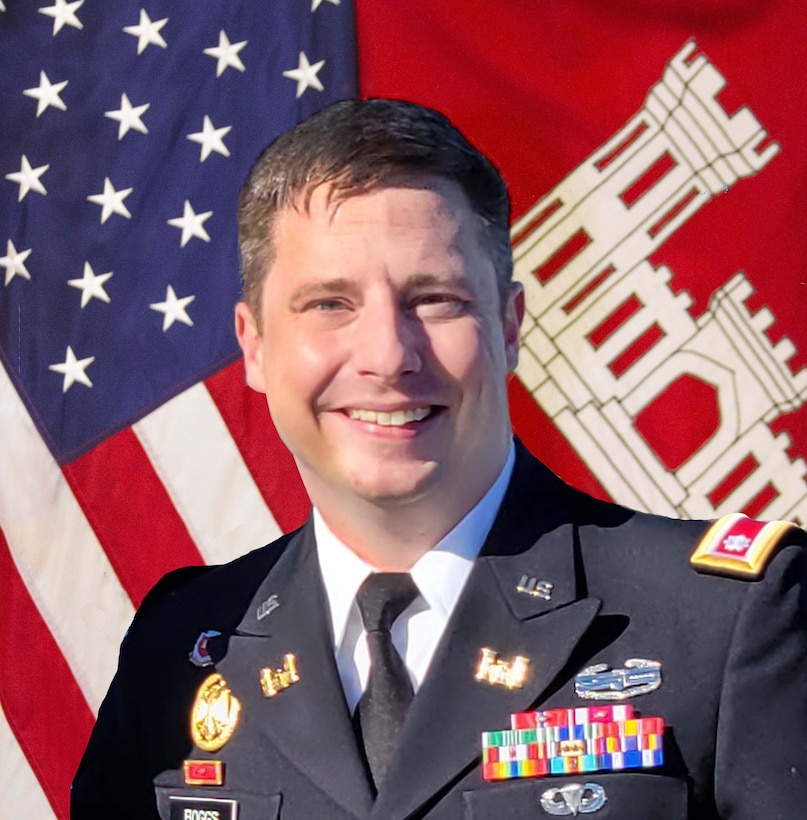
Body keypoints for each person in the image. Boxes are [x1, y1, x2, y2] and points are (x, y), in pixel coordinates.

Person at [71, 99, 807, 820]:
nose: (389, 356)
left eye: (434, 299)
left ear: (509, 326)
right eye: (329, 303)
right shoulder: (185, 650)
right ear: (254, 345)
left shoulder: (721, 623)